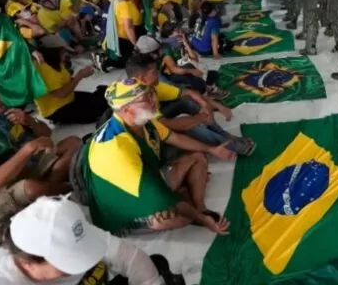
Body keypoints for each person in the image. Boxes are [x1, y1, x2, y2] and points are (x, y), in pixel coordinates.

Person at [74, 78, 231, 236]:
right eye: (145, 99)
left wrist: (212, 149)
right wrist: (203, 221)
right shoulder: (116, 148)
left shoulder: (142, 121)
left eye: (151, 94)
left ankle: (199, 207)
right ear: (127, 110)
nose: (154, 100)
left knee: (198, 157)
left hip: (146, 177)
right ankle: (135, 222)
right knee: (179, 219)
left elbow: (174, 138)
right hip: (125, 199)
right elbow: (156, 195)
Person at [0, 75, 81, 224]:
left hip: (20, 170)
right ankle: (67, 189)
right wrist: (28, 149)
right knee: (31, 188)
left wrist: (29, 120)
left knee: (73, 143)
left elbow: (46, 135)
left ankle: (50, 189)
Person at [0, 195, 181, 284]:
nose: (85, 263)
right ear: (27, 262)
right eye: (67, 263)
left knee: (155, 265)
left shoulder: (64, 229)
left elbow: (129, 256)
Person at [125, 54, 253, 157]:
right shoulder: (138, 101)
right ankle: (227, 144)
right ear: (141, 77)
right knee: (189, 124)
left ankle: (225, 136)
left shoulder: (152, 86)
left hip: (160, 121)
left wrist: (204, 105)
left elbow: (189, 92)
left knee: (189, 102)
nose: (158, 74)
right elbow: (168, 125)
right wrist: (201, 117)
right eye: (154, 72)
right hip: (152, 141)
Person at [34, 35, 109, 125]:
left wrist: (82, 74)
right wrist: (79, 76)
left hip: (69, 98)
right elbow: (60, 94)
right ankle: (59, 119)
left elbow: (66, 83)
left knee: (105, 94)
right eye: (63, 51)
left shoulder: (56, 62)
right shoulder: (43, 68)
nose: (66, 54)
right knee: (100, 108)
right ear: (53, 52)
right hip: (57, 109)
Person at [157, 24, 228, 99]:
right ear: (169, 35)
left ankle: (207, 88)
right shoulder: (166, 49)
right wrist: (192, 71)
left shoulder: (180, 44)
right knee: (194, 77)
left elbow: (194, 58)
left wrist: (185, 43)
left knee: (214, 74)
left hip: (184, 69)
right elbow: (174, 69)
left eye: (179, 30)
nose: (180, 33)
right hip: (172, 76)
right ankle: (205, 92)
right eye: (177, 31)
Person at [96, 0, 143, 71]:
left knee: (127, 58)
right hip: (125, 37)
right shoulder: (123, 4)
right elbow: (128, 27)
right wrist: (135, 43)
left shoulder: (114, 1)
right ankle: (106, 62)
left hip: (119, 35)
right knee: (127, 62)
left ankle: (106, 59)